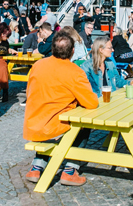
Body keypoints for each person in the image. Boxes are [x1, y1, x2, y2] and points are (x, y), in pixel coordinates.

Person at [24, 33, 99, 186]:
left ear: (52, 49)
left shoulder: (37, 65)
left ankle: (37, 167)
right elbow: (91, 103)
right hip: (54, 126)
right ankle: (70, 170)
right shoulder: (75, 71)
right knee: (83, 126)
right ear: (72, 52)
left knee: (48, 117)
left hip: (33, 123)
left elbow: (29, 92)